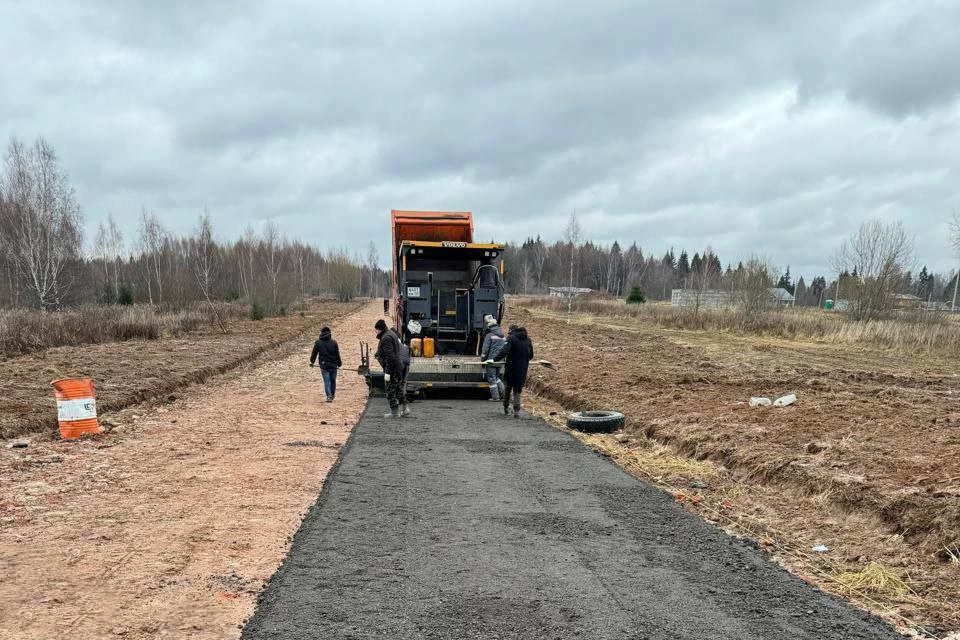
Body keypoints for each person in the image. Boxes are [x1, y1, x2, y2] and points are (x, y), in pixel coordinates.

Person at [374, 319, 410, 418]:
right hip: (398, 366)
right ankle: (405, 409)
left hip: (393, 368)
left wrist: (388, 372)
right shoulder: (391, 334)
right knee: (398, 388)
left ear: (379, 329)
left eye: (376, 330)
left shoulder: (386, 338)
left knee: (390, 390)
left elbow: (389, 356)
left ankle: (394, 412)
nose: (375, 332)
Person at [502, 324, 534, 418]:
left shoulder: (511, 338)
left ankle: (506, 407)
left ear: (512, 331)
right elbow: (531, 355)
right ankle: (516, 411)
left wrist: (494, 359)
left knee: (508, 388)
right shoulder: (528, 339)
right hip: (522, 369)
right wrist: (523, 360)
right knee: (517, 390)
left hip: (511, 368)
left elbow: (504, 351)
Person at [310, 326, 342, 402]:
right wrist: (339, 364)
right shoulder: (334, 342)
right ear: (329, 333)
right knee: (333, 380)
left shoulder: (318, 342)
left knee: (326, 381)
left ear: (321, 333)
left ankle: (329, 396)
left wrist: (312, 361)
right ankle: (332, 394)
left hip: (324, 365)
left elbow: (314, 353)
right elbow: (337, 354)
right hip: (333, 365)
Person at [479, 314, 505, 401]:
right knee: (497, 378)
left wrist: (483, 361)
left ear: (489, 327)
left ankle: (495, 397)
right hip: (500, 361)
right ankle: (503, 395)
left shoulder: (489, 335)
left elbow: (485, 350)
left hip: (491, 361)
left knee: (491, 379)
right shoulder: (503, 335)